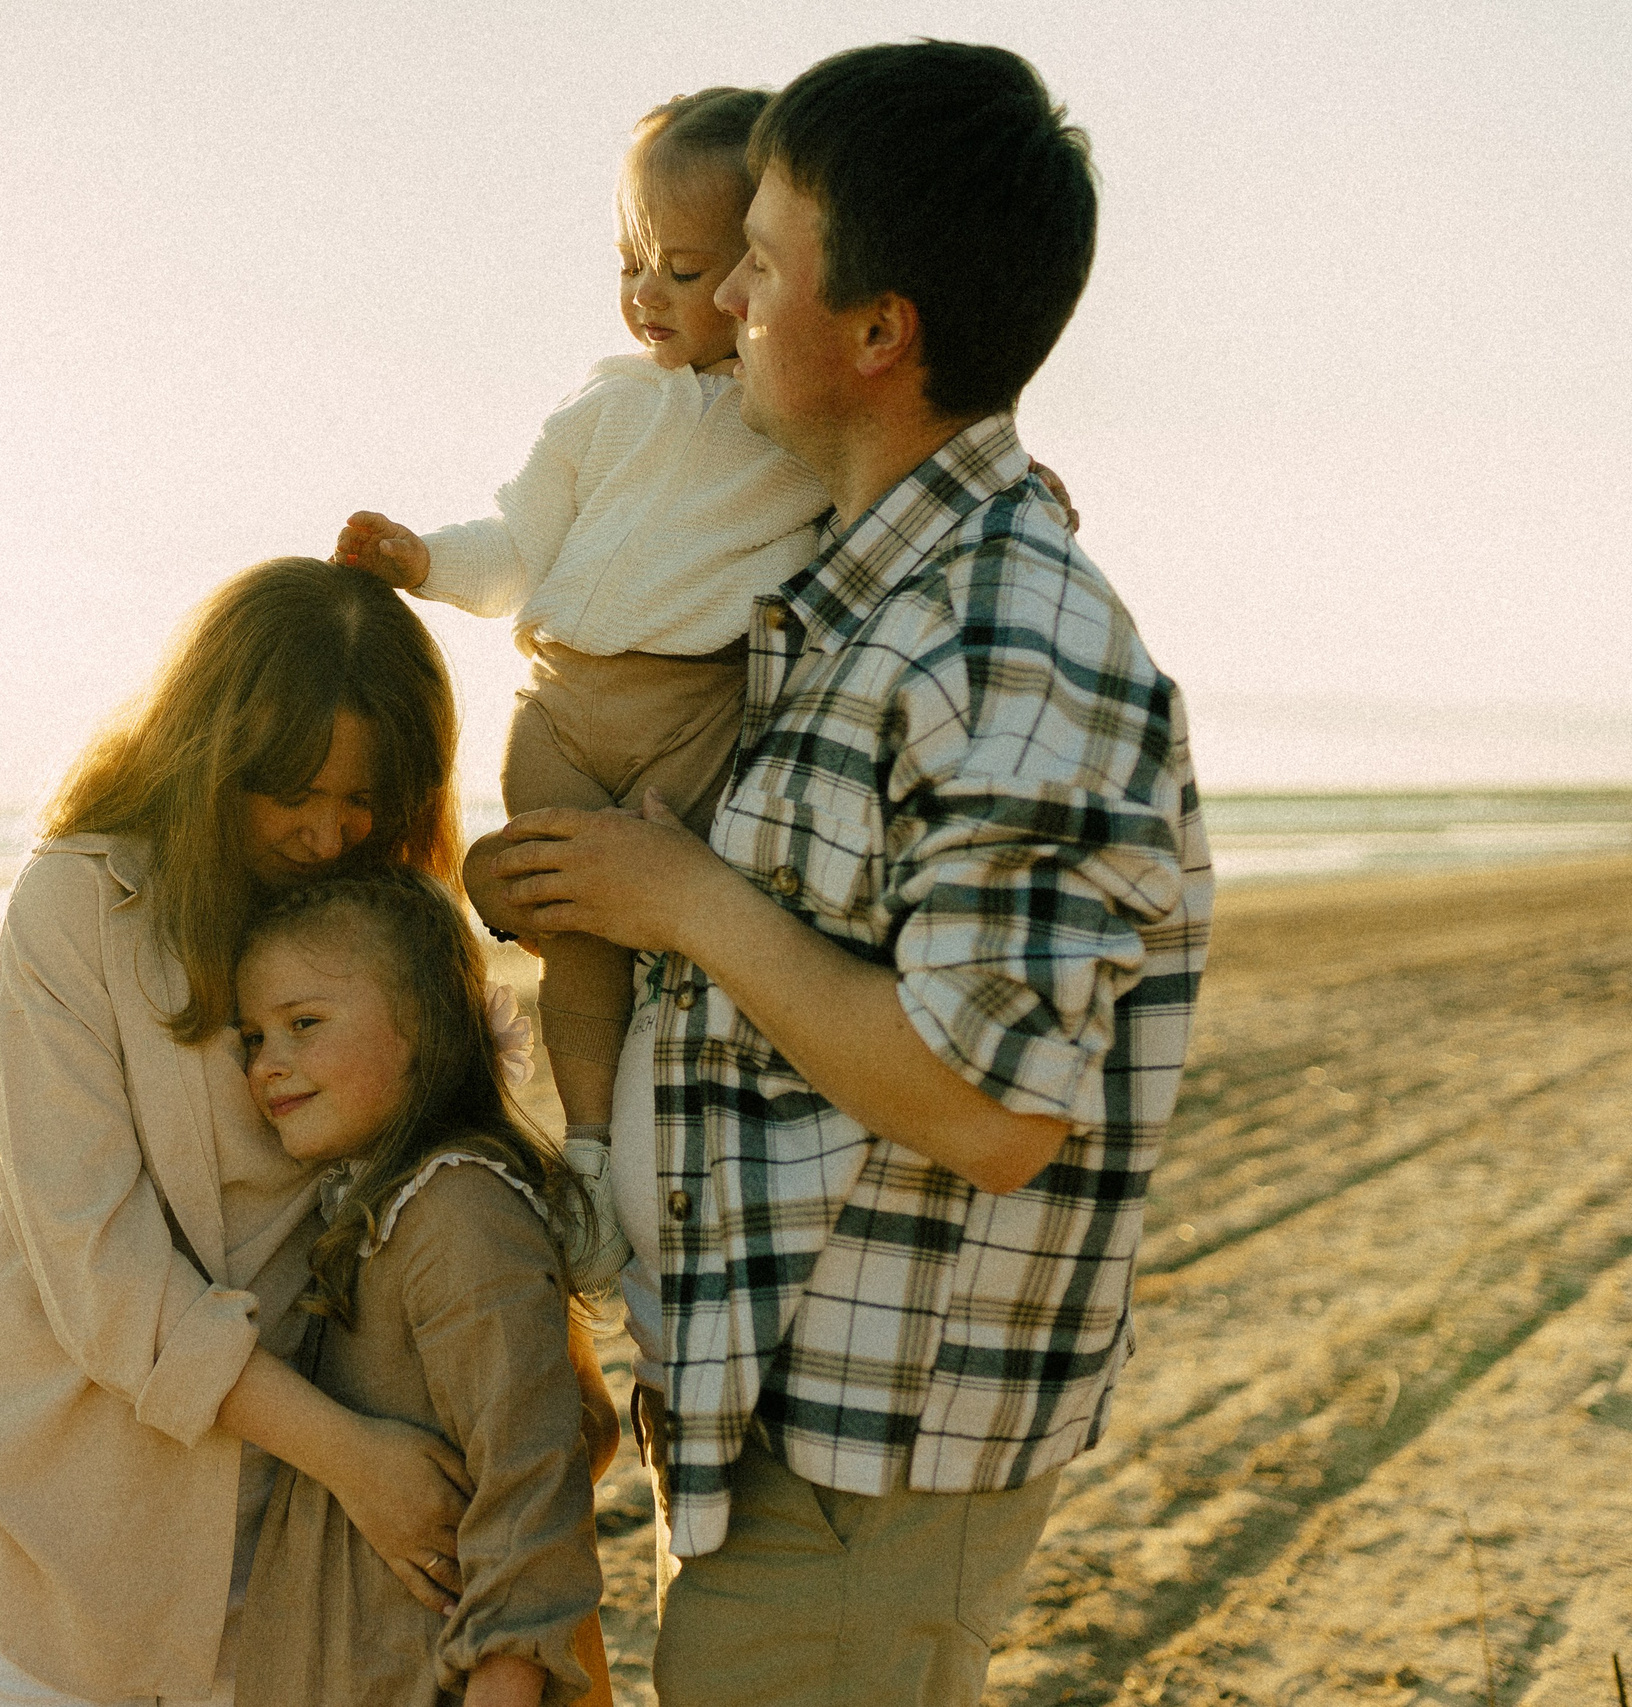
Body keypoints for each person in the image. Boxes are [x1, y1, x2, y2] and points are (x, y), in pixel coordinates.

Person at [475, 43, 1216, 1707]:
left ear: (880, 331)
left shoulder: (1000, 629)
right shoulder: (853, 603)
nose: (726, 295)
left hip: (874, 1469)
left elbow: (989, 1106)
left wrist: (681, 901)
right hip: (782, 1435)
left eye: (762, 254)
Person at [0, 558, 499, 1707]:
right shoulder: (77, 904)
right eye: (293, 792)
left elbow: (458, 1189)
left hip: (293, 1563)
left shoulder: (399, 932)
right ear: (213, 749)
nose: (328, 831)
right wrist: (348, 1455)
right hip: (51, 1542)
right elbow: (94, 1265)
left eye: (366, 797)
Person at [332, 87, 831, 1164]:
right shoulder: (601, 406)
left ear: (758, 264)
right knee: (577, 939)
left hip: (698, 711)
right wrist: (425, 561)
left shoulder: (794, 415)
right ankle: (592, 1146)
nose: (645, 293)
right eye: (629, 262)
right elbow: (518, 545)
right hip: (560, 708)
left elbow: (890, 488)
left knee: (690, 919)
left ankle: (669, 1127)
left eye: (681, 269)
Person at [230, 869, 609, 1707]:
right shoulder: (362, 1210)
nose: (267, 1064)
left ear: (423, 1028)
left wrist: (503, 1683)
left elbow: (530, 1492)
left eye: (303, 1023)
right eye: (253, 1036)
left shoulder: (459, 1213)